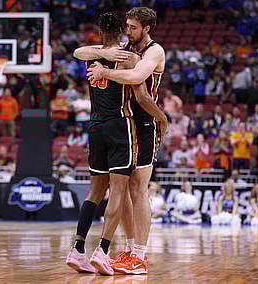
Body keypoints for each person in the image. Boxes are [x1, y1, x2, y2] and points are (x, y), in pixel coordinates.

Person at [67, 12, 167, 276]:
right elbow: (80, 51)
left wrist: (162, 118)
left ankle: (136, 254)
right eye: (127, 27)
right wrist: (108, 59)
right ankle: (123, 248)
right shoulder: (123, 52)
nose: (130, 31)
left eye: (134, 27)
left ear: (145, 28)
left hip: (139, 122)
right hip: (124, 124)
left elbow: (139, 86)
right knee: (123, 188)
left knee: (134, 189)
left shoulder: (151, 52)